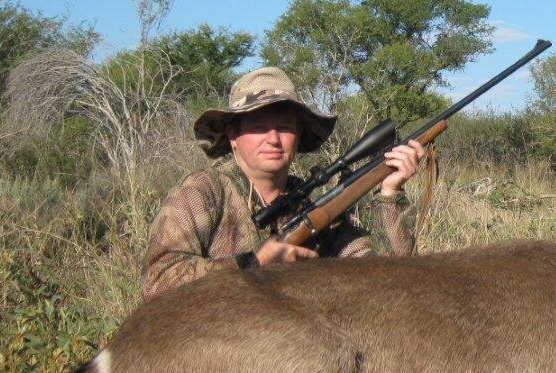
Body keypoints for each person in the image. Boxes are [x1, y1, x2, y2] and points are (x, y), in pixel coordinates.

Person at [141, 66, 426, 302]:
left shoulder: (314, 210)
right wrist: (254, 264)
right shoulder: (203, 191)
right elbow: (157, 283)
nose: (274, 139)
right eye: (258, 127)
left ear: (299, 136)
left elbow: (390, 281)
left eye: (285, 127)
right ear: (232, 136)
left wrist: (389, 192)